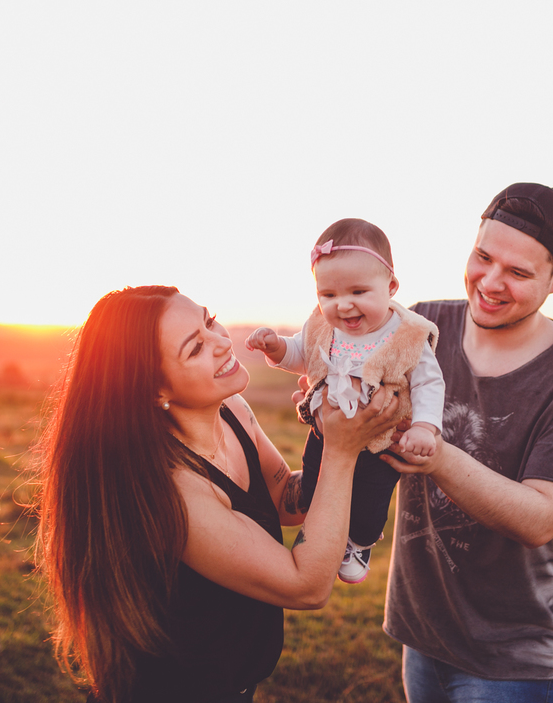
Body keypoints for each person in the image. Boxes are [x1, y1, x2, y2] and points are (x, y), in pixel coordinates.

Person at [33, 285, 400, 703]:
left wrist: (333, 432)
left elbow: (287, 498)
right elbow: (307, 585)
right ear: (154, 390)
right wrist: (340, 451)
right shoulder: (173, 490)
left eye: (209, 321)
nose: (222, 342)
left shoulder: (234, 411)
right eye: (195, 347)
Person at [380, 183, 553, 703]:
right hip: (422, 630)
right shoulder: (422, 326)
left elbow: (540, 520)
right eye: (483, 257)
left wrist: (438, 456)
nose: (489, 282)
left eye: (518, 273)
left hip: (512, 655)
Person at [246, 218, 445, 584]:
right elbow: (301, 354)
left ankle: (359, 542)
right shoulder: (322, 327)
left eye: (358, 291)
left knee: (368, 506)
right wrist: (276, 348)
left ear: (391, 286)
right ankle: (328, 533)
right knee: (312, 492)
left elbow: (429, 383)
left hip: (379, 442)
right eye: (329, 295)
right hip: (325, 435)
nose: (344, 305)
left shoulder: (408, 335)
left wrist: (424, 427)